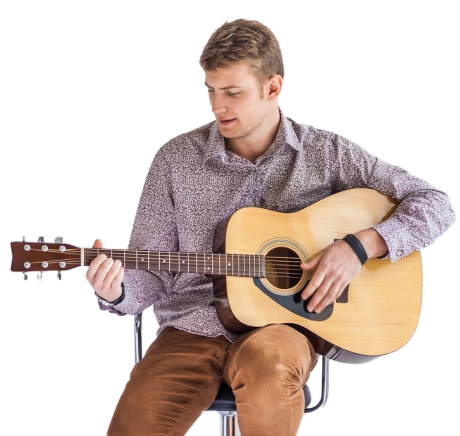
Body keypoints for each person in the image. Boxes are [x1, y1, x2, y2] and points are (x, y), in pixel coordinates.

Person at [86, 18, 457, 436]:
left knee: (270, 369)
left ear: (272, 87)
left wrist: (360, 246)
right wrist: (115, 289)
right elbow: (149, 273)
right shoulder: (173, 160)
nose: (217, 106)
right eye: (210, 90)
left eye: (232, 93)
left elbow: (437, 204)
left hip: (281, 329)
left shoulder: (328, 153)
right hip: (191, 328)